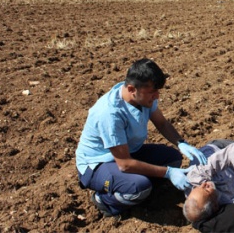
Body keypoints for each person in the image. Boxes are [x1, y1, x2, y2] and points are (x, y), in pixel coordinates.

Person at [75, 58, 208, 217]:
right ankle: (104, 200)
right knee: (139, 188)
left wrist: (181, 143)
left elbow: (162, 123)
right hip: (98, 163)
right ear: (131, 89)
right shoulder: (109, 114)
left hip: (128, 152)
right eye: (152, 92)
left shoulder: (141, 97)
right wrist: (168, 173)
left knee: (173, 158)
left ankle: (139, 188)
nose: (157, 96)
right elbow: (124, 164)